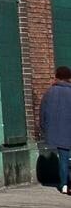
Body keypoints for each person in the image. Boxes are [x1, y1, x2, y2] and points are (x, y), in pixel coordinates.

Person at [40, 65, 71, 195]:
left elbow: (43, 114)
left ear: (56, 76)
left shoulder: (48, 93)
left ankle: (64, 185)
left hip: (59, 133)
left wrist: (44, 129)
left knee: (63, 159)